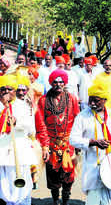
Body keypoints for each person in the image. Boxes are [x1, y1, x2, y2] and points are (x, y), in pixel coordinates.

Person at [70, 78, 111, 205]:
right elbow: (73, 139)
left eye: (96, 101)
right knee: (95, 201)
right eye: (90, 99)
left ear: (105, 100)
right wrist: (93, 142)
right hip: (94, 166)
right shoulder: (82, 116)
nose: (92, 103)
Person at [0, 74, 37, 205]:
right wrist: (1, 106)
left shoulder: (22, 105)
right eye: (3, 89)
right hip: (0, 155)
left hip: (19, 155)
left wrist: (17, 122)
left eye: (9, 89)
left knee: (21, 193)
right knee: (1, 190)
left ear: (15, 91)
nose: (6, 92)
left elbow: (30, 127)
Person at [35, 69, 80, 205]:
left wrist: (78, 142)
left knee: (68, 174)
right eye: (55, 82)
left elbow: (78, 120)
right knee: (52, 173)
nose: (58, 84)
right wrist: (44, 145)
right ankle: (55, 200)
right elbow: (40, 123)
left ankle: (66, 200)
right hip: (51, 142)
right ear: (51, 83)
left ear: (64, 83)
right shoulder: (43, 100)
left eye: (61, 82)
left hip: (68, 143)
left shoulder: (72, 98)